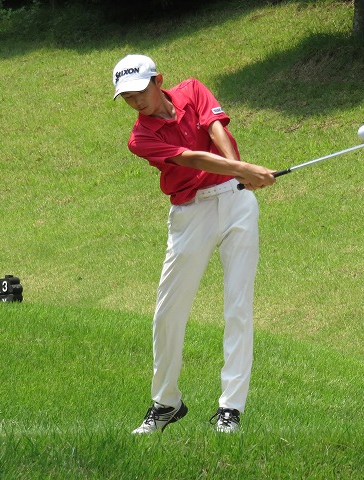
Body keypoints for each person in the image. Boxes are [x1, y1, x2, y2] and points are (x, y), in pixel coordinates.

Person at [112, 54, 275, 434]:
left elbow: (215, 130)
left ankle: (231, 409)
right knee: (168, 313)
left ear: (158, 81)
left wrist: (240, 175)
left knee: (238, 306)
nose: (136, 101)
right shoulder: (140, 138)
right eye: (127, 97)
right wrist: (243, 169)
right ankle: (166, 403)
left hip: (236, 202)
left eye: (139, 91)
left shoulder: (192, 90)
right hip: (191, 212)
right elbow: (192, 158)